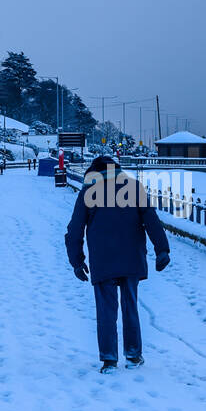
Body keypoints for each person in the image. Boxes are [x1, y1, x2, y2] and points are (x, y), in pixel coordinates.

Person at [64, 155, 170, 373]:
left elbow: (74, 229)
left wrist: (77, 261)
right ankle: (133, 355)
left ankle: (109, 359)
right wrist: (162, 250)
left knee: (106, 311)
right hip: (132, 257)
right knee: (130, 306)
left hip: (103, 260)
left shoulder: (88, 192)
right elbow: (151, 220)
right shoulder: (134, 188)